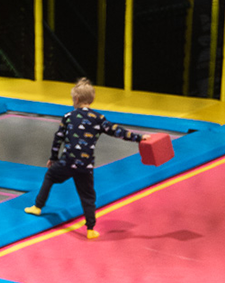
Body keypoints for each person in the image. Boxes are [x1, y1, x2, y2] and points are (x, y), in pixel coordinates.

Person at [24, 77, 145, 239]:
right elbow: (117, 131)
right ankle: (90, 229)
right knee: (87, 196)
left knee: (50, 176)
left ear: (76, 99)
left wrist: (53, 158)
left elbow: (58, 138)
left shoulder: (68, 116)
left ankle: (38, 207)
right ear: (91, 100)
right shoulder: (98, 118)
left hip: (68, 162)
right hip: (85, 165)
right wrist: (139, 138)